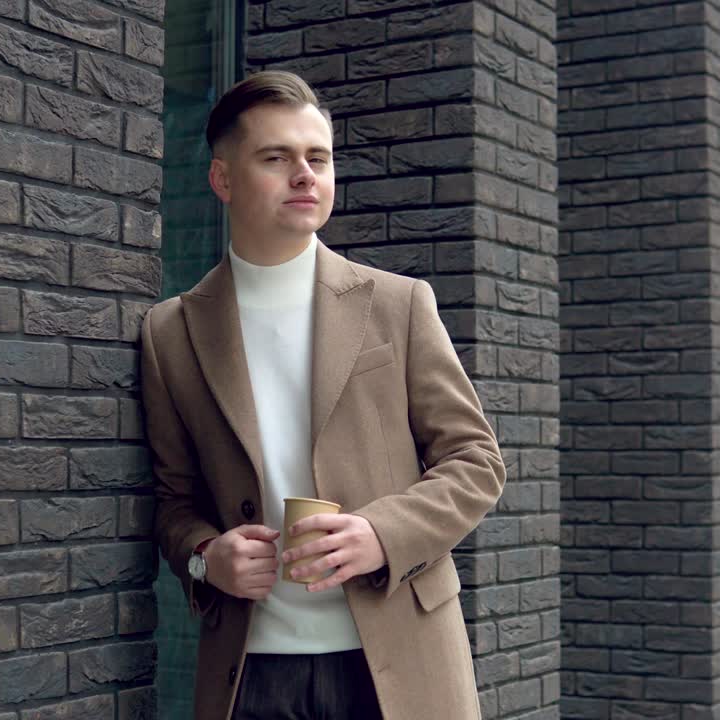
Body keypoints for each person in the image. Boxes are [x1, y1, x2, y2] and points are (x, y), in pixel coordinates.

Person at [141, 70, 505, 720]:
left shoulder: (398, 305)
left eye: (318, 158)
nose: (305, 175)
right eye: (276, 158)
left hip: (400, 662)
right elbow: (173, 503)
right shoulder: (171, 333)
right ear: (222, 179)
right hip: (250, 675)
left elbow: (477, 461)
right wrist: (205, 559)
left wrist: (381, 533)